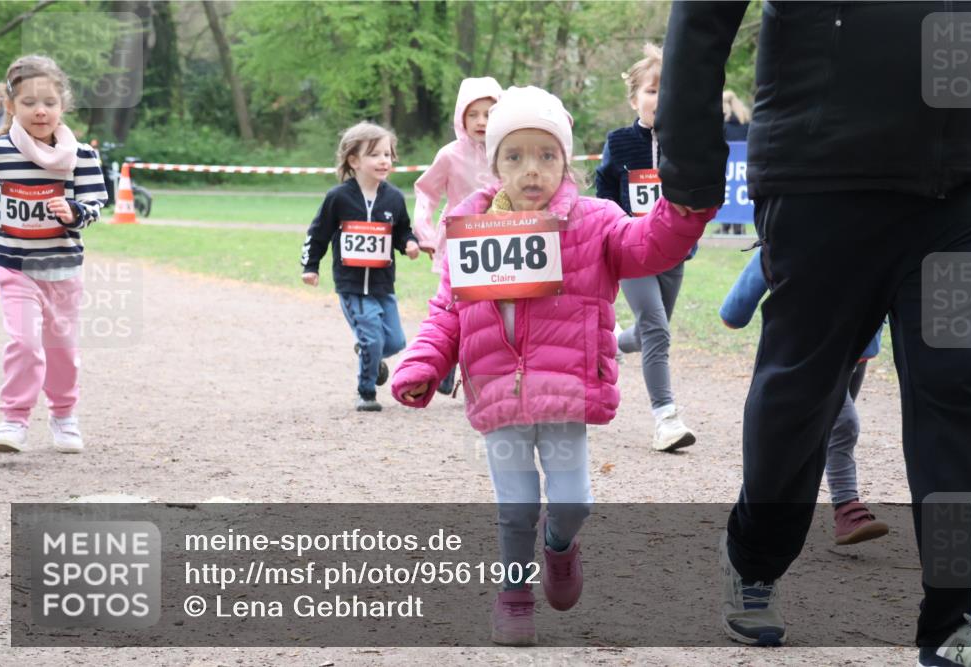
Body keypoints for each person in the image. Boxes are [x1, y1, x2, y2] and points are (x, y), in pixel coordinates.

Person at [655, 2, 971, 661]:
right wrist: (692, 163)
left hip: (964, 188)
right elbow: (703, 16)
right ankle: (754, 556)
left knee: (964, 387)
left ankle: (961, 612)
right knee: (802, 393)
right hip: (822, 174)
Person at [391, 86, 715, 646]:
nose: (532, 170)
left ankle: (560, 546)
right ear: (495, 164)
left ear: (566, 160)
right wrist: (422, 364)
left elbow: (649, 245)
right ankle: (514, 595)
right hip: (497, 390)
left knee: (573, 502)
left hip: (565, 391)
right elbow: (447, 309)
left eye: (546, 155)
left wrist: (682, 209)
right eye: (515, 156)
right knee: (516, 508)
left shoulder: (595, 221)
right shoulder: (468, 225)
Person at [720, 247, 889, 545]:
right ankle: (846, 509)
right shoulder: (784, 240)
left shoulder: (878, 239)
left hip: (855, 356)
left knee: (823, 433)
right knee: (842, 425)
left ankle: (765, 511)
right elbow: (733, 313)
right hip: (808, 356)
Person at [0, 55, 108, 454]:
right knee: (25, 344)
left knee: (62, 350)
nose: (40, 110)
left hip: (62, 267)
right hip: (14, 265)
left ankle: (63, 415)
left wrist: (74, 211)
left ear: (63, 105)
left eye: (49, 103)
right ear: (11, 106)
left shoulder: (82, 156)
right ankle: (14, 420)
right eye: (28, 103)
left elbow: (95, 204)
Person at [595, 43, 696, 452]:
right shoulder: (619, 142)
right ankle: (665, 418)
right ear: (635, 98)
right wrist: (614, 226)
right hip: (631, 251)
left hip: (673, 253)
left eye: (667, 91)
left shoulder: (686, 143)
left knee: (650, 331)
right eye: (652, 90)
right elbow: (604, 187)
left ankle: (611, 343)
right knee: (656, 328)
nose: (660, 98)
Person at [301, 122, 421, 412]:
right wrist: (310, 266)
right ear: (354, 161)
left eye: (387, 154)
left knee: (395, 341)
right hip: (352, 285)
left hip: (382, 284)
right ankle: (366, 392)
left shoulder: (394, 197)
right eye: (375, 154)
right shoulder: (338, 197)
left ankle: (369, 351)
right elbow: (318, 233)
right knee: (372, 338)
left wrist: (409, 243)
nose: (384, 160)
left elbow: (402, 230)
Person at [413, 76, 502, 395]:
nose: (481, 121)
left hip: (500, 242)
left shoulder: (509, 151)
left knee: (489, 309)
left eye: (488, 114)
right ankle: (445, 363)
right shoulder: (449, 155)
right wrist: (424, 231)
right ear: (460, 117)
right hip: (457, 242)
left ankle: (485, 368)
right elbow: (426, 192)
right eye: (472, 114)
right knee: (452, 306)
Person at [720, 90, 749, 235]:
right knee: (739, 192)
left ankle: (725, 226)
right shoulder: (747, 124)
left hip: (726, 168)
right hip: (744, 168)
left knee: (727, 192)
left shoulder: (723, 126)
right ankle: (738, 226)